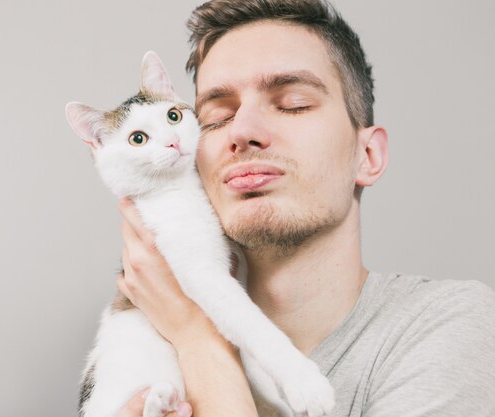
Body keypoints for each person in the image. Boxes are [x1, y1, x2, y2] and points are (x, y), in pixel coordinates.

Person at [113, 1, 495, 416]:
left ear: (367, 155)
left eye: (293, 103)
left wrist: (196, 334)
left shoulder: (447, 322)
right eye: (217, 117)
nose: (241, 132)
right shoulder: (147, 367)